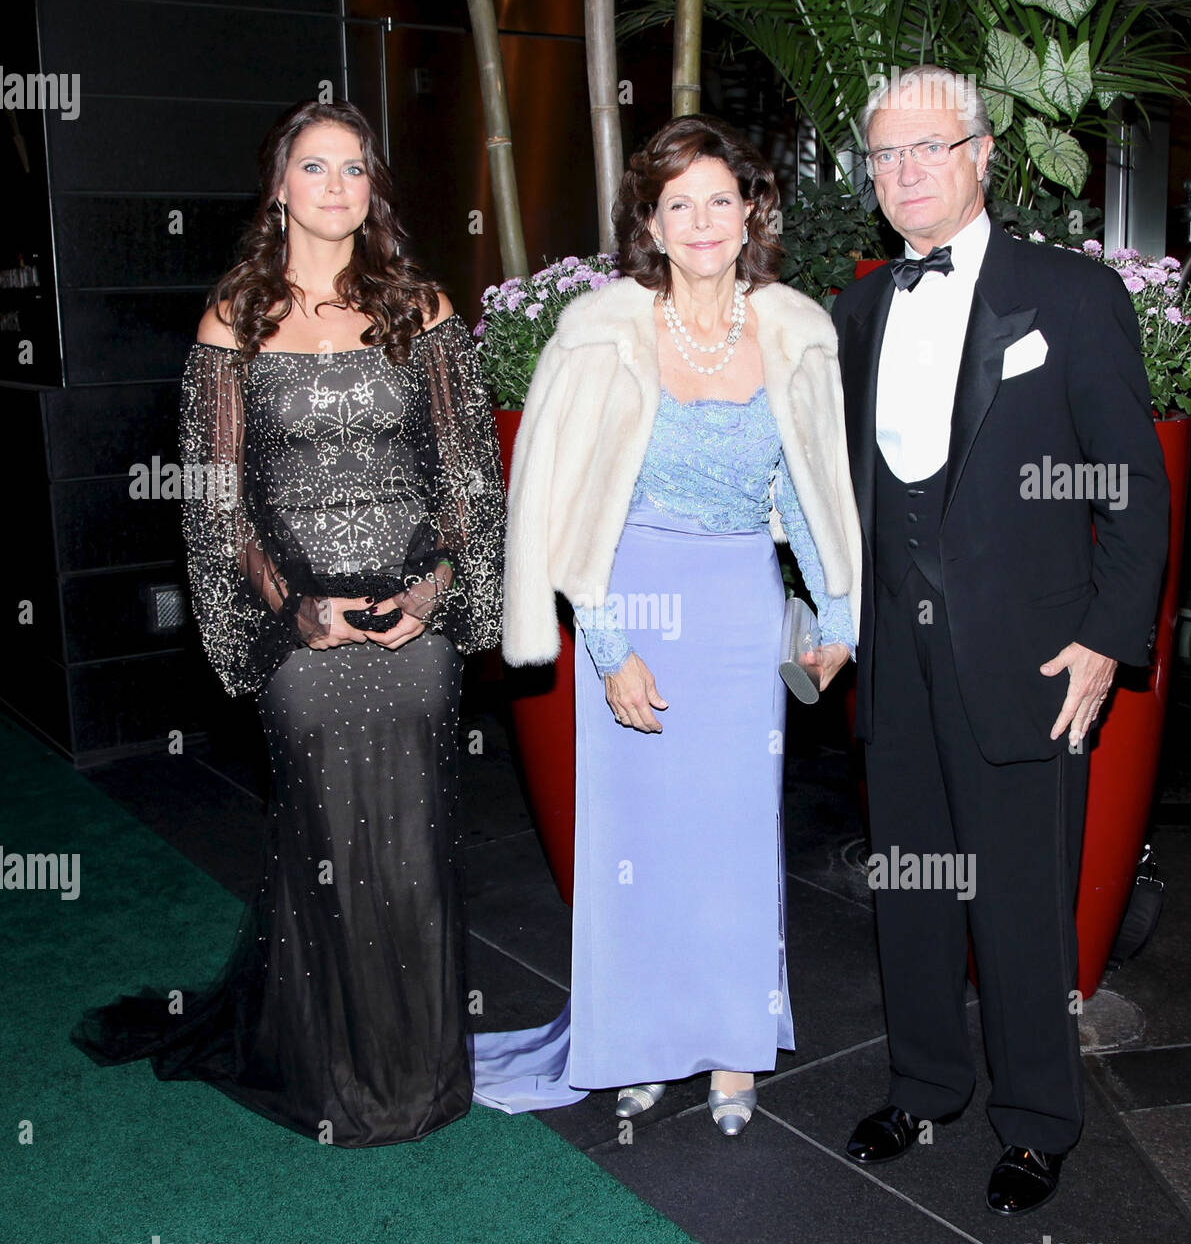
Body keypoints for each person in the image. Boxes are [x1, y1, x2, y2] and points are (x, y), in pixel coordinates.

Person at [71, 98, 505, 1147]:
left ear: (374, 189)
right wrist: (293, 614)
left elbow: (472, 481)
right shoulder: (235, 321)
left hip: (414, 621)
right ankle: (340, 1076)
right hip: (300, 629)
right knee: (327, 846)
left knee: (412, 845)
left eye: (355, 168)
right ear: (280, 187)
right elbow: (219, 510)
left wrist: (438, 593)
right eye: (315, 168)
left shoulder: (423, 308)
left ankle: (421, 1073)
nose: (337, 186)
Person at [473, 115, 860, 1135]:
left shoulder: (795, 330)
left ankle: (734, 1046)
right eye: (677, 203)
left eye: (718, 201)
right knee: (633, 842)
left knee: (733, 840)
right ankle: (636, 1042)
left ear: (750, 212)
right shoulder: (604, 331)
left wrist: (837, 609)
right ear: (650, 220)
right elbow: (567, 502)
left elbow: (810, 489)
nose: (700, 221)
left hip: (738, 606)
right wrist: (608, 649)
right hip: (632, 600)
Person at [833, 65, 1168, 1211]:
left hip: (1028, 657)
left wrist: (1108, 639)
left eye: (930, 148)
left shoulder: (1069, 297)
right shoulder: (859, 310)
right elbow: (842, 494)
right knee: (914, 884)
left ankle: (1035, 1118)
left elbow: (1131, 485)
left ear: (983, 155)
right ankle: (924, 1082)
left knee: (1021, 898)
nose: (907, 172)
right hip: (896, 655)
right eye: (886, 155)